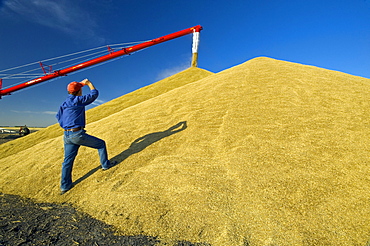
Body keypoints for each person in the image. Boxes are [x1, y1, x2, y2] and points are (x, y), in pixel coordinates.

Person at [56, 79, 116, 194]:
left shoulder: (64, 104)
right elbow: (94, 94)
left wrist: (67, 125)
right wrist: (88, 83)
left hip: (66, 134)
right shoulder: (78, 100)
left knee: (67, 161)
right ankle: (105, 165)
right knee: (101, 144)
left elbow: (58, 117)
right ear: (79, 91)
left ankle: (65, 186)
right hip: (77, 134)